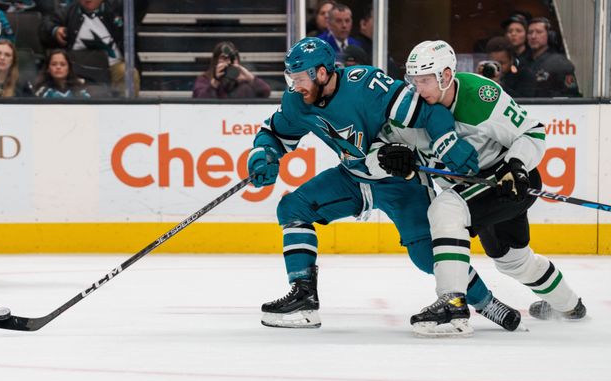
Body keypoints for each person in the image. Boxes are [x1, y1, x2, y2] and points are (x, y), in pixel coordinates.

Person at [247, 37, 518, 331]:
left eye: (299, 78)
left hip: (401, 181)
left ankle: (487, 303)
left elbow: (429, 112)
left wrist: (446, 141)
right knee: (293, 209)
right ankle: (304, 298)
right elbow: (273, 132)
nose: (294, 85)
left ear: (322, 73)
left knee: (427, 256)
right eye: (290, 77)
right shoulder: (297, 101)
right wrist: (265, 155)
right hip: (353, 177)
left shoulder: (367, 85)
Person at [375, 40, 585, 336]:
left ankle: (453, 303)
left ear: (446, 76)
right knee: (513, 261)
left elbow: (532, 131)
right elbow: (382, 144)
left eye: (425, 81)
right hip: (472, 191)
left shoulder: (480, 96)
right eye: (414, 81)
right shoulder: (412, 108)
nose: (419, 89)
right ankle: (570, 306)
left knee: (445, 209)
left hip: (506, 183)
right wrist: (390, 155)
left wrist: (516, 165)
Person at [40, 0, 139, 96]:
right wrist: (55, 30)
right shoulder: (69, 10)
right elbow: (46, 23)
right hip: (76, 69)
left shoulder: (117, 8)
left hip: (112, 66)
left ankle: (126, 110)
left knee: (128, 72)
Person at [522, 17, 580, 97]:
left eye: (539, 32)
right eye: (530, 32)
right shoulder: (523, 63)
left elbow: (571, 96)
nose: (533, 36)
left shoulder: (560, 63)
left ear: (550, 35)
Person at [192, 41, 271, 99]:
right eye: (224, 58)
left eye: (232, 58)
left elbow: (266, 92)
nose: (228, 62)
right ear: (216, 60)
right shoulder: (205, 79)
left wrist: (251, 79)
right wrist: (214, 83)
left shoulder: (244, 81)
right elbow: (199, 102)